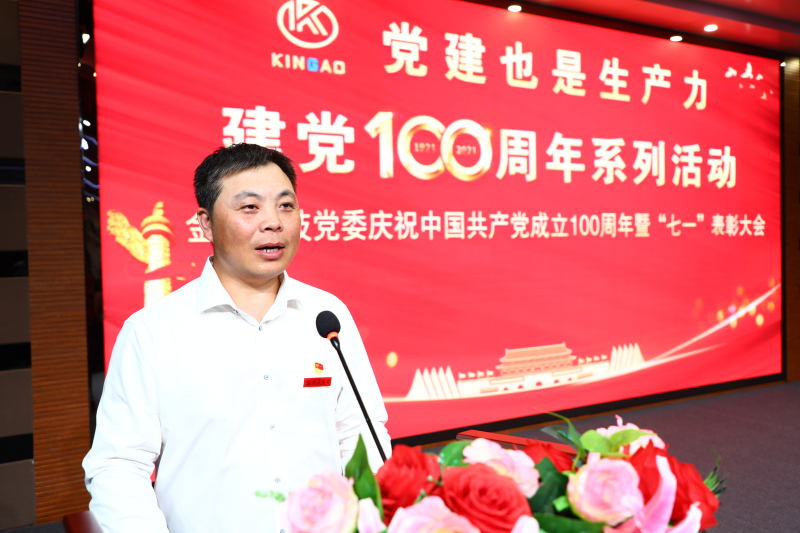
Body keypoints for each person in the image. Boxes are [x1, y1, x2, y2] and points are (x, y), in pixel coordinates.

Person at [83, 144, 391, 533]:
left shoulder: (327, 315)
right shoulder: (153, 331)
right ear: (206, 223)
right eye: (250, 207)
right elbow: (118, 466)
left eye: (286, 206)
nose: (273, 222)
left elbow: (361, 432)